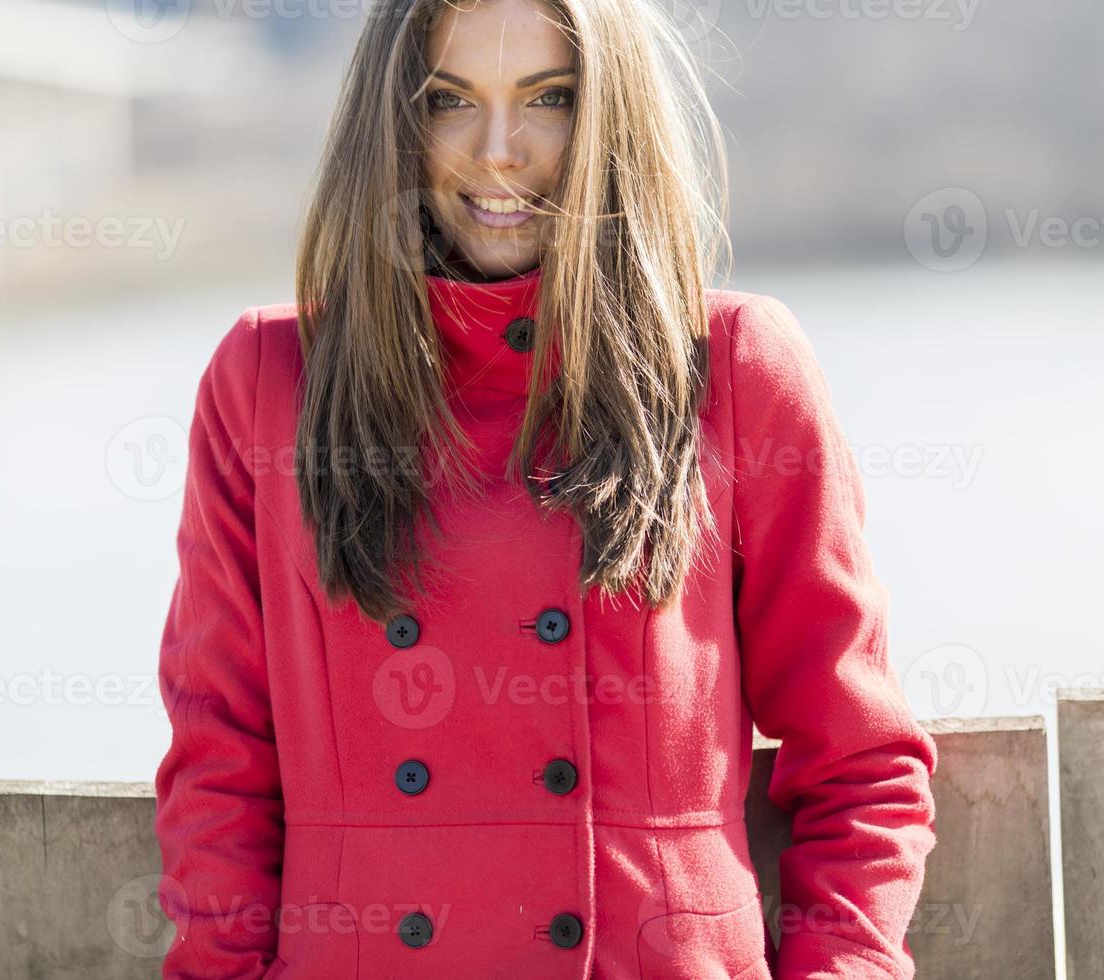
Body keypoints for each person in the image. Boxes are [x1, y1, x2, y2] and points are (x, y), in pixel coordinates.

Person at [153, 0, 938, 977]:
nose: (498, 150)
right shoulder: (269, 383)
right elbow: (219, 775)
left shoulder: (734, 368)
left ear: (610, 112)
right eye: (449, 101)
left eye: (550, 98)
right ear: (388, 120)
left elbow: (862, 766)